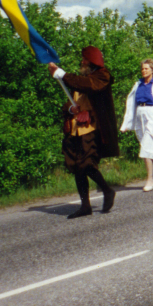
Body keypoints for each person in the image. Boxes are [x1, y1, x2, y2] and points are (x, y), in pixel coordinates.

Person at [49, 46, 118, 219]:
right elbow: (71, 100)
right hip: (74, 129)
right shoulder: (80, 80)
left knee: (86, 164)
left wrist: (61, 74)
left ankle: (107, 190)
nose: (82, 62)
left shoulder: (102, 76)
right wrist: (70, 109)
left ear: (93, 61)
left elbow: (88, 85)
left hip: (91, 128)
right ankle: (85, 206)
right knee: (76, 166)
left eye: (85, 59)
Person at [119, 58, 153, 192]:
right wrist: (126, 123)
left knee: (146, 147)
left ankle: (149, 180)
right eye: (142, 68)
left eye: (146, 68)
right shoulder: (138, 84)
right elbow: (131, 104)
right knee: (145, 145)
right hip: (140, 115)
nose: (143, 71)